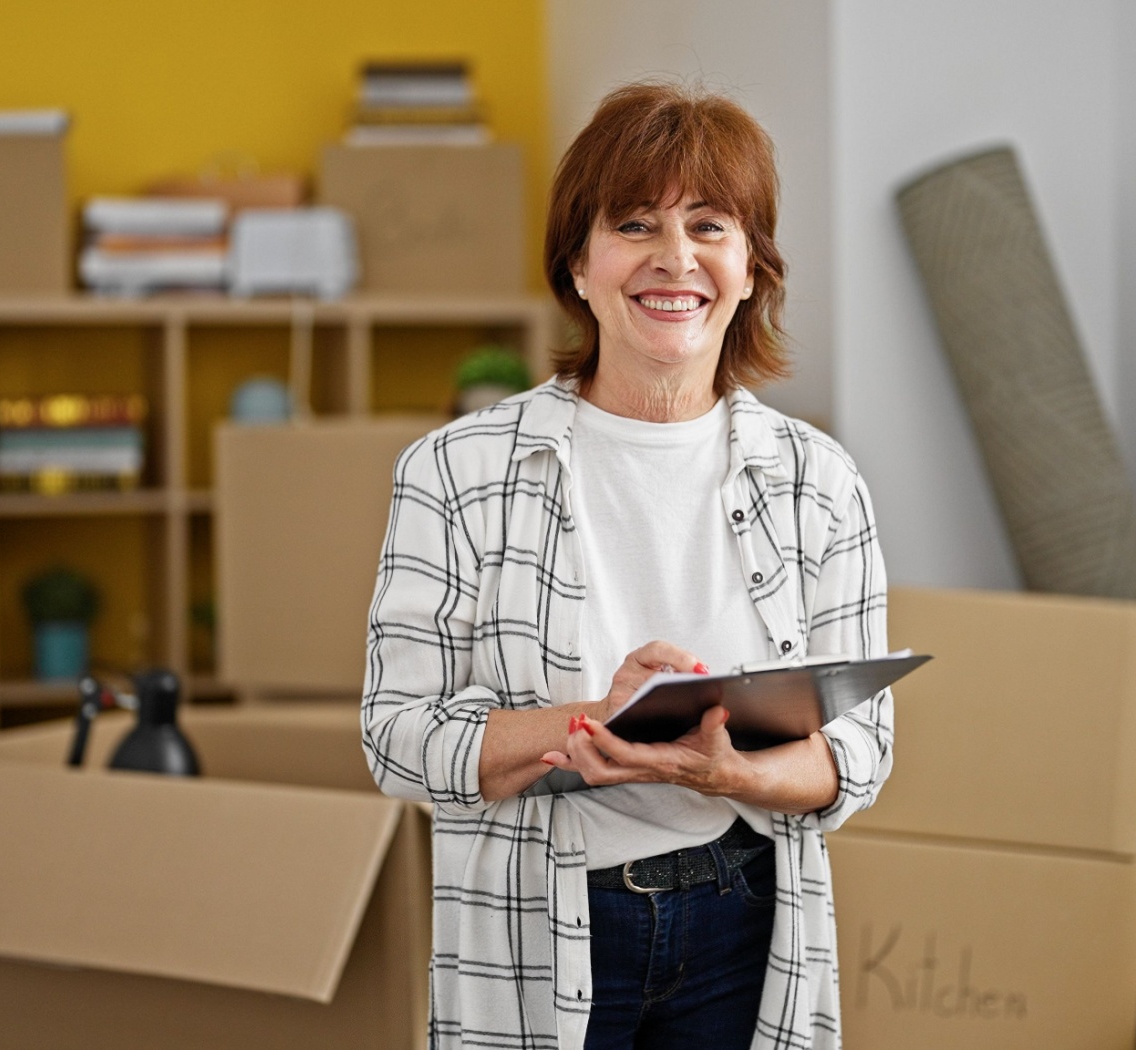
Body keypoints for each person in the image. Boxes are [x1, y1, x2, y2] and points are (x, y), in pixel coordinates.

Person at [361, 81, 893, 1050]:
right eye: (635, 223)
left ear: (749, 267)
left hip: (745, 919)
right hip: (535, 922)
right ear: (579, 263)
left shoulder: (819, 480)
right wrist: (587, 723)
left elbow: (856, 755)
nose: (674, 258)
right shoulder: (457, 469)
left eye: (709, 225)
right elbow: (395, 741)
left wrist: (729, 775)